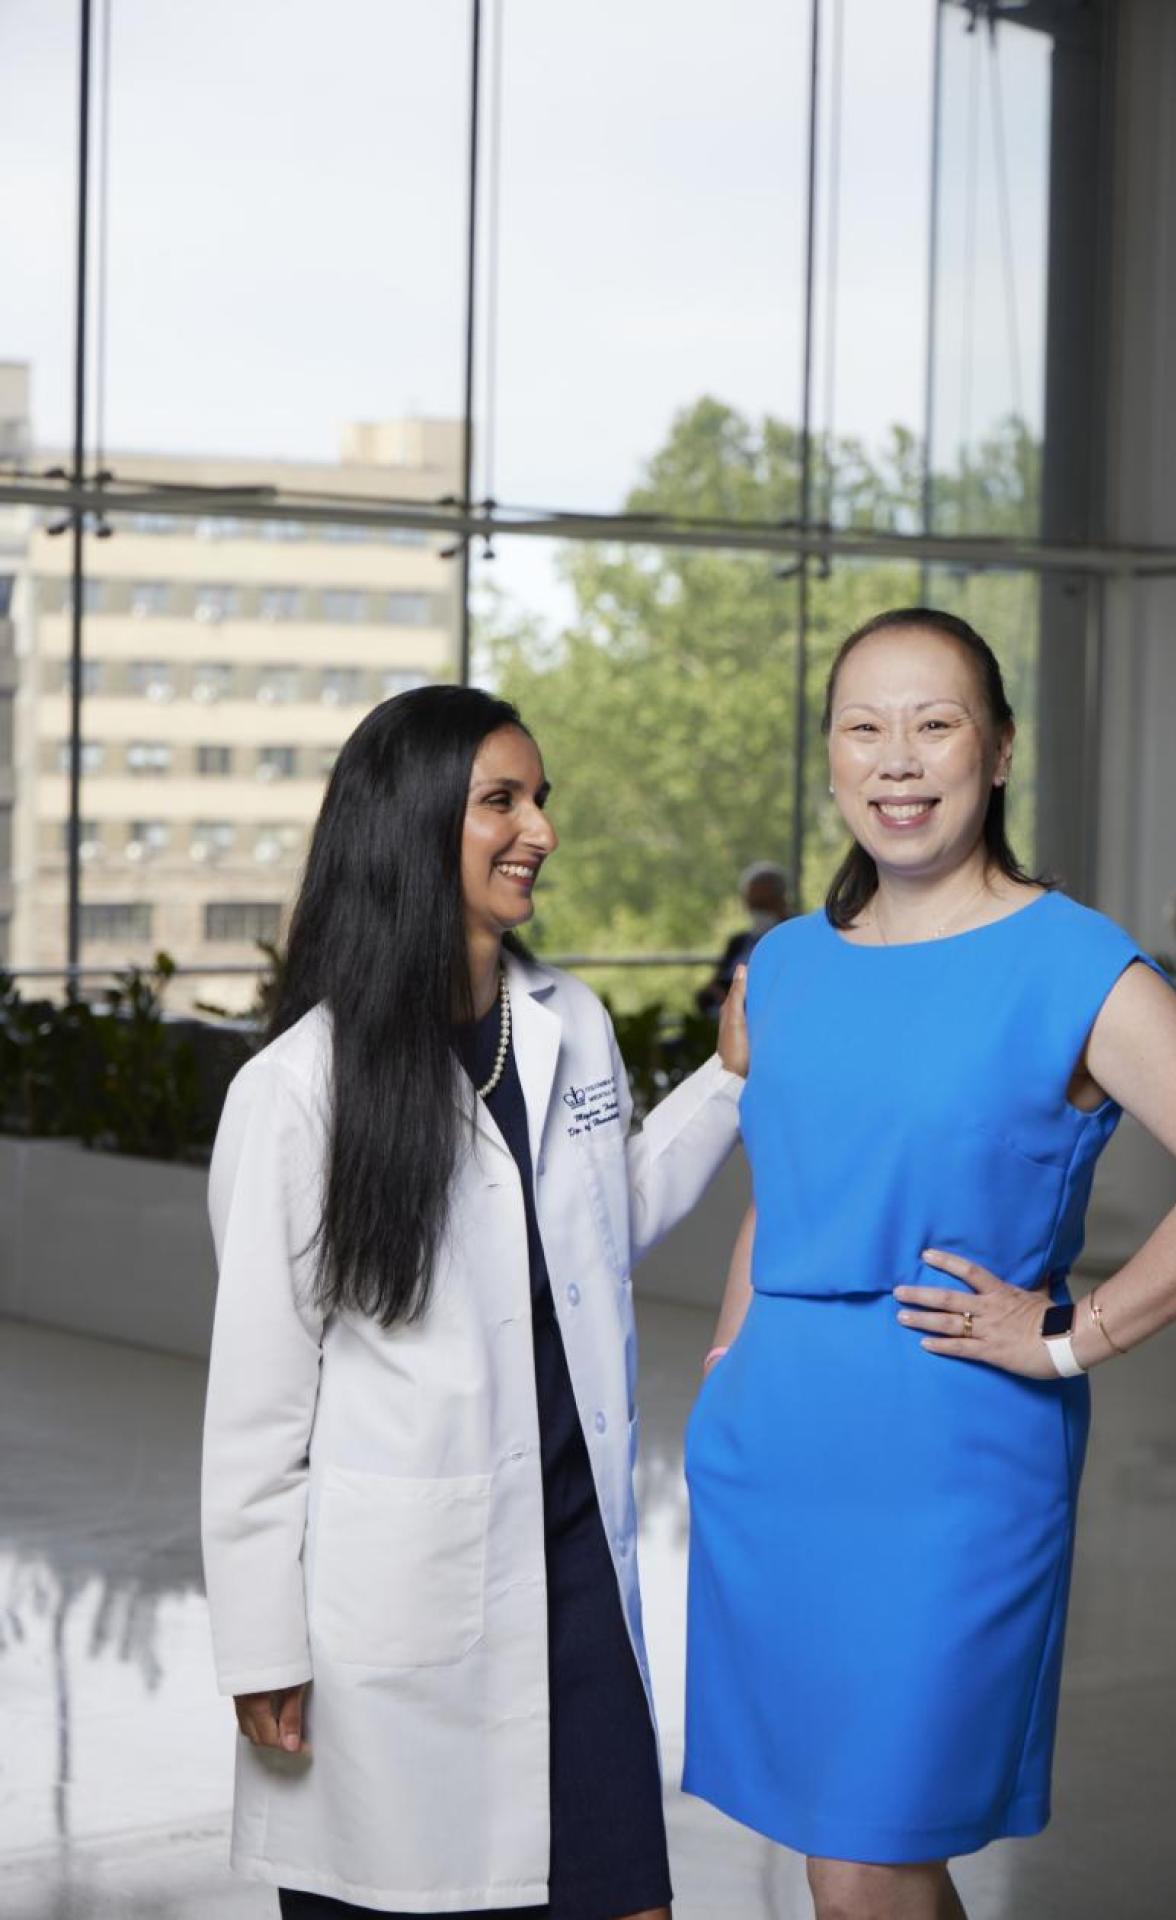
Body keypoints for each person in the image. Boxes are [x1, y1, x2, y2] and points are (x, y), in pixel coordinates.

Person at [682, 608, 1176, 1920]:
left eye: (935, 723)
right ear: (832, 758)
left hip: (954, 1452)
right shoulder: (781, 968)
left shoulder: (1069, 959)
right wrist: (726, 1366)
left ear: (999, 751)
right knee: (856, 1857)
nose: (898, 759)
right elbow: (782, 1194)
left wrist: (1079, 1333)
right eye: (864, 727)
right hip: (773, 1450)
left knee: (863, 1865)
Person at [201, 686, 749, 1920]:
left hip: (573, 1563)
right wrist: (259, 1647)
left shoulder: (568, 1025)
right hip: (400, 1595)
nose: (538, 830)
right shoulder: (298, 1093)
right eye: (499, 801)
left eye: (539, 799)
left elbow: (604, 1227)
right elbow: (255, 1406)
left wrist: (724, 1079)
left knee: (625, 1897)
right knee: (411, 1887)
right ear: (407, 829)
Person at [695, 861, 791, 1015]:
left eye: (763, 904)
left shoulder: (796, 940)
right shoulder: (739, 942)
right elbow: (714, 986)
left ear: (781, 900)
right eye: (753, 905)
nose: (758, 912)